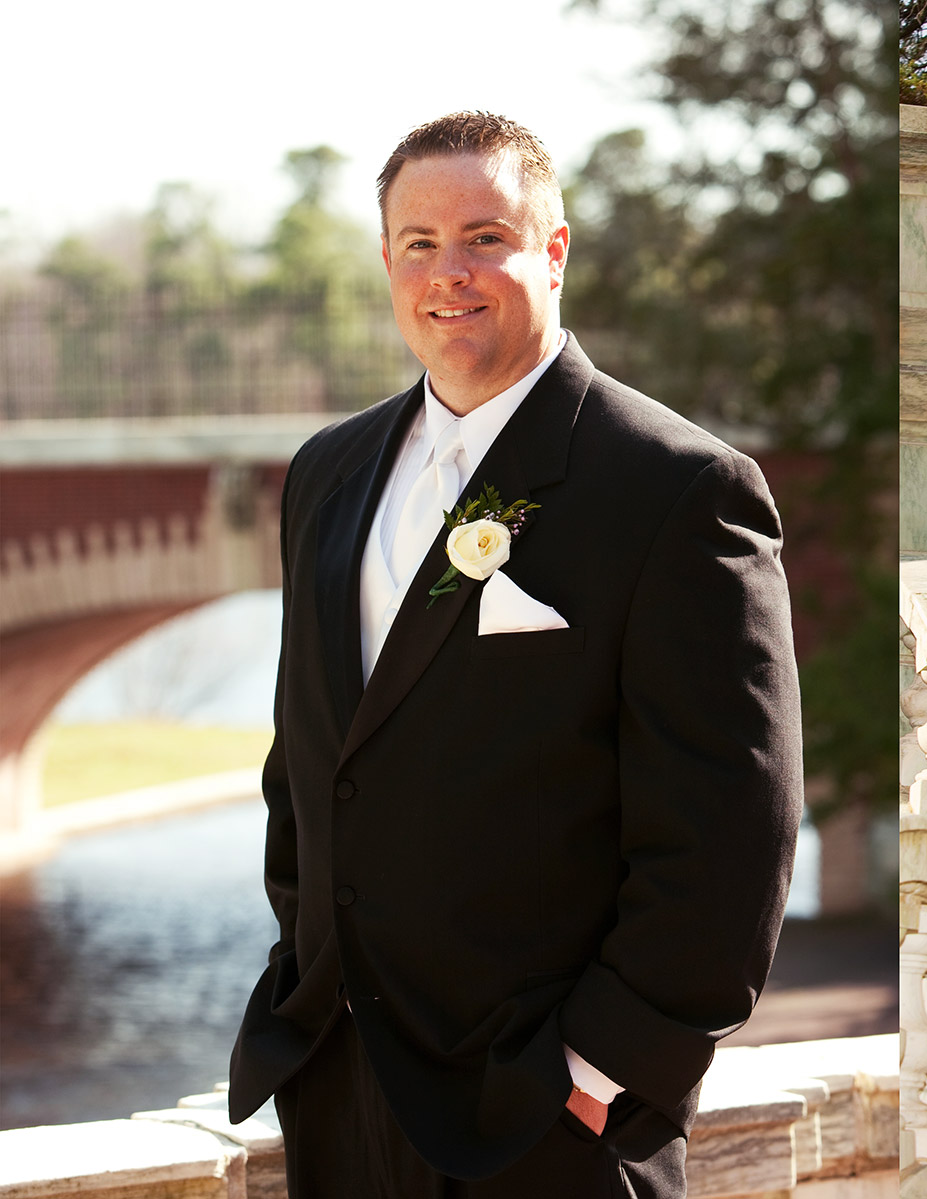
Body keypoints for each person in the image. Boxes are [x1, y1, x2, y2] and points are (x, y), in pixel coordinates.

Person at [227, 111, 803, 1196]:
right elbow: (307, 761)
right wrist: (303, 981)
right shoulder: (325, 474)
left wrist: (592, 1073)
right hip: (340, 1096)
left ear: (553, 250)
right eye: (418, 242)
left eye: (485, 236)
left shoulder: (678, 487)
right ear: (387, 261)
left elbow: (731, 827)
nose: (451, 272)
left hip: (544, 1122)